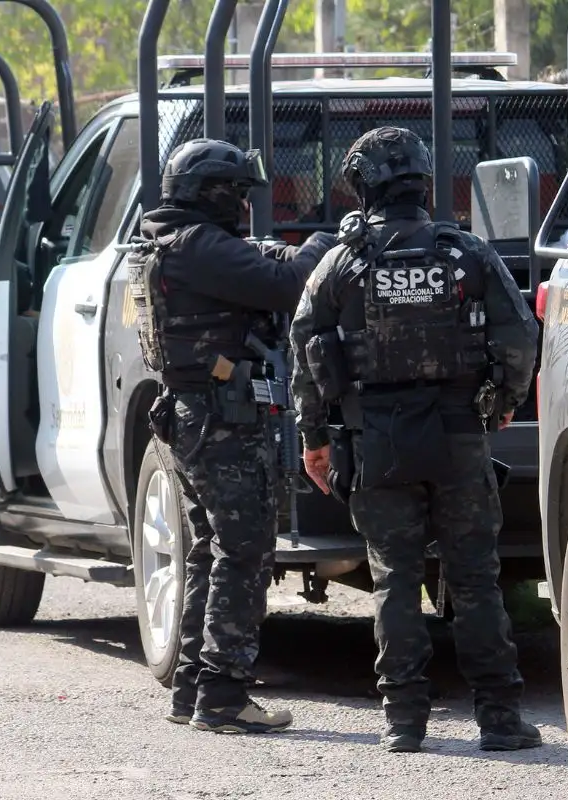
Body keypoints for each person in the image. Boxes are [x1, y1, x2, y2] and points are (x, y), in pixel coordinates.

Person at [288, 126, 542, 753]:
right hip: (459, 438)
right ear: (424, 180)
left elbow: (306, 349)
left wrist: (315, 440)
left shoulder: (340, 263)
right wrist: (503, 401)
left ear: (361, 187)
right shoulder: (467, 254)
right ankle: (501, 721)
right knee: (476, 580)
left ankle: (404, 721)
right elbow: (520, 339)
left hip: (377, 444)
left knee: (394, 582)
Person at [127, 137, 334, 734]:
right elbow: (287, 283)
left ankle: (193, 685)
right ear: (210, 194)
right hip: (220, 420)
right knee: (244, 552)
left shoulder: (168, 241)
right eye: (236, 194)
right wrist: (324, 240)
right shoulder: (197, 247)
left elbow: (248, 265)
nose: (243, 206)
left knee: (206, 549)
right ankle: (223, 696)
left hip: (193, 414)